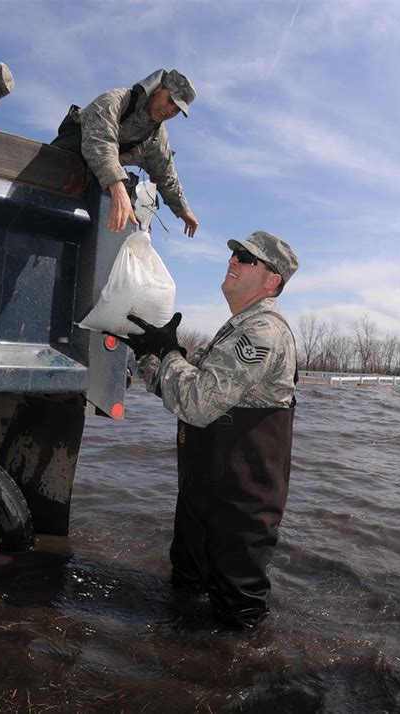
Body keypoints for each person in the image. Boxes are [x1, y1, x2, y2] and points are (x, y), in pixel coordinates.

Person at [119, 230, 299, 628]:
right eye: (235, 253)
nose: (233, 260)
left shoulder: (262, 332)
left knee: (238, 618)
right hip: (204, 494)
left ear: (272, 281)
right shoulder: (234, 329)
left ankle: (233, 682)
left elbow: (199, 404)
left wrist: (170, 352)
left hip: (239, 507)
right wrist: (149, 354)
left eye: (247, 259)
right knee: (184, 593)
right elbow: (180, 392)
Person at [51, 69, 199, 237]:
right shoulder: (117, 99)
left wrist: (184, 211)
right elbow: (100, 140)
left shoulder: (156, 138)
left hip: (86, 189)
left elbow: (166, 176)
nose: (170, 110)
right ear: (158, 88)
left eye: (177, 109)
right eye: (170, 100)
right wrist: (117, 186)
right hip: (52, 174)